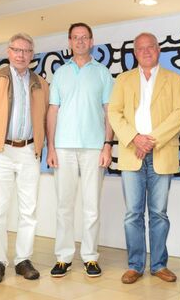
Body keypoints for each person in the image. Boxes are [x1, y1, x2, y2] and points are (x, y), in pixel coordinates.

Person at [108, 32, 180, 284]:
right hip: (132, 153)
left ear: (158, 49)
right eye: (140, 48)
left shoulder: (174, 79)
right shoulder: (123, 79)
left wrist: (150, 139)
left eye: (150, 47)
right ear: (134, 53)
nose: (145, 51)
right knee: (133, 213)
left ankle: (159, 265)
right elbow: (114, 112)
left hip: (162, 153)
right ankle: (135, 265)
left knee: (158, 213)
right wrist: (134, 138)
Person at [0, 33, 49, 284]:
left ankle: (22, 260)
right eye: (17, 50)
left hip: (29, 151)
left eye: (27, 51)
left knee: (29, 210)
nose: (21, 55)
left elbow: (46, 115)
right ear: (9, 52)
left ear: (32, 54)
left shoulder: (40, 83)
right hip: (0, 152)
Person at [46, 23, 114, 278]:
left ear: (92, 41)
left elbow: (110, 112)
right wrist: (50, 147)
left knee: (91, 206)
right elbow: (53, 111)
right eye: (76, 38)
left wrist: (107, 145)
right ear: (69, 41)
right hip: (63, 148)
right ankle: (63, 257)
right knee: (64, 206)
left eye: (85, 37)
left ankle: (90, 257)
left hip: (94, 148)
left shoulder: (103, 73)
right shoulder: (61, 73)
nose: (80, 41)